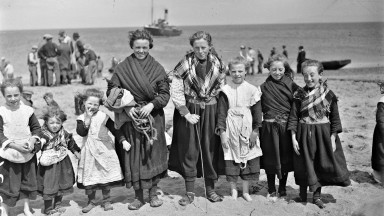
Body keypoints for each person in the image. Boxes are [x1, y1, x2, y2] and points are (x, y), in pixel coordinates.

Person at [106, 29, 170, 210]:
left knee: (153, 154)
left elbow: (165, 94)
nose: (141, 50)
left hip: (153, 116)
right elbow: (112, 90)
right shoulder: (122, 67)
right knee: (135, 156)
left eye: (144, 47)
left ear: (150, 45)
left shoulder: (157, 67)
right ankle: (138, 197)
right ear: (131, 47)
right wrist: (128, 107)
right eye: (137, 47)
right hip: (131, 118)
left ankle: (153, 193)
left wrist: (152, 105)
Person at [168, 31, 226, 206]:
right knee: (190, 150)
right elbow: (176, 90)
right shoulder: (184, 64)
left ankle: (210, 189)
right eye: (196, 47)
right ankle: (190, 192)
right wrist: (186, 113)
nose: (200, 51)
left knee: (210, 149)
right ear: (192, 47)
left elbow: (221, 89)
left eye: (203, 47)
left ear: (209, 46)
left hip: (211, 110)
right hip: (190, 110)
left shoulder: (218, 63)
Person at [288, 59, 350, 208]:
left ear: (320, 75)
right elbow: (293, 117)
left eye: (312, 75)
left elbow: (335, 119)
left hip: (322, 134)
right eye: (305, 75)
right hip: (303, 133)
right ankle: (302, 195)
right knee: (303, 164)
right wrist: (293, 137)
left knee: (319, 164)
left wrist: (333, 138)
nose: (308, 78)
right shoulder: (299, 94)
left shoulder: (329, 95)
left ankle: (316, 197)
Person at [216, 56, 262, 201]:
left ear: (246, 72)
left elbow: (257, 113)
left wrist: (255, 131)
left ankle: (246, 190)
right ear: (229, 72)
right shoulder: (225, 90)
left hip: (247, 127)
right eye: (234, 71)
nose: (237, 74)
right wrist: (222, 132)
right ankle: (234, 189)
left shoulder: (252, 90)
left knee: (247, 156)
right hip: (230, 127)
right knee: (231, 157)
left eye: (240, 71)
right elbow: (221, 113)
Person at [76, 88, 125, 213]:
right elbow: (81, 133)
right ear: (84, 103)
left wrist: (123, 140)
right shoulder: (81, 118)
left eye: (95, 104)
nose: (92, 106)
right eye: (89, 104)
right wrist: (87, 119)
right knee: (90, 175)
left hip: (104, 151)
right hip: (89, 151)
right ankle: (91, 201)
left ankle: (106, 200)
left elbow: (115, 129)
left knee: (105, 175)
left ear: (99, 105)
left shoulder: (104, 117)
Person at [260, 54, 299, 201]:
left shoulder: (291, 85)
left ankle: (282, 187)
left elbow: (305, 98)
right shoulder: (263, 87)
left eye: (280, 69)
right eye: (274, 69)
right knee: (270, 158)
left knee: (285, 158)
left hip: (286, 128)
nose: (277, 72)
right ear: (268, 69)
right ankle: (271, 188)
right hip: (269, 129)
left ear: (285, 69)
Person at [0, 78, 43, 216]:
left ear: (21, 93)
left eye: (16, 95)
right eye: (9, 96)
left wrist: (31, 141)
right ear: (3, 96)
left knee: (27, 182)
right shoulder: (2, 112)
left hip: (27, 152)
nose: (13, 99)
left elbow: (36, 128)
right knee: (7, 183)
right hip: (9, 153)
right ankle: (5, 210)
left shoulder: (28, 110)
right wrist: (14, 146)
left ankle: (26, 208)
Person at [37, 107, 80, 215]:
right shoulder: (43, 134)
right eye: (51, 123)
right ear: (46, 122)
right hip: (49, 166)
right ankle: (48, 208)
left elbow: (71, 143)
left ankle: (57, 205)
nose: (55, 125)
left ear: (62, 123)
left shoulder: (64, 133)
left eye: (58, 122)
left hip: (62, 162)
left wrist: (76, 152)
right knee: (49, 184)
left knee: (62, 182)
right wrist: (35, 145)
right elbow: (38, 144)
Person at [372, 82, 384, 185]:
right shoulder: (382, 102)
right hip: (382, 133)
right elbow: (380, 119)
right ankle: (378, 175)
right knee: (380, 154)